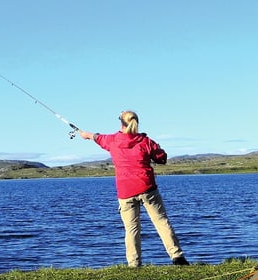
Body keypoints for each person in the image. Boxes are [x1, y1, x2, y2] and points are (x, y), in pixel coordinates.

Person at [77, 111, 189, 268]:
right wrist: (155, 149)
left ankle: (134, 263)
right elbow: (162, 158)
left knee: (131, 228)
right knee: (161, 222)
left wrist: (86, 135)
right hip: (147, 188)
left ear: (121, 124)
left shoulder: (112, 140)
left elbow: (96, 137)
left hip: (125, 192)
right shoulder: (145, 141)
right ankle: (177, 257)